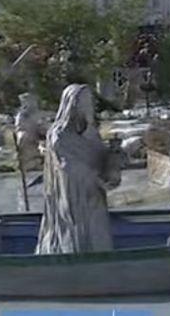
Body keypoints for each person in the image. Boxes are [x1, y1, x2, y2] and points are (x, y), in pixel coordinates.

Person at [37, 84, 121, 254]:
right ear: (72, 104)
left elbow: (100, 156)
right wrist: (96, 179)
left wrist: (114, 155)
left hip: (93, 193)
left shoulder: (91, 132)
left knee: (97, 233)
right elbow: (68, 164)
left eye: (90, 101)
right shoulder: (59, 134)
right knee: (74, 233)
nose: (89, 105)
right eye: (84, 102)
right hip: (72, 194)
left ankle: (101, 264)